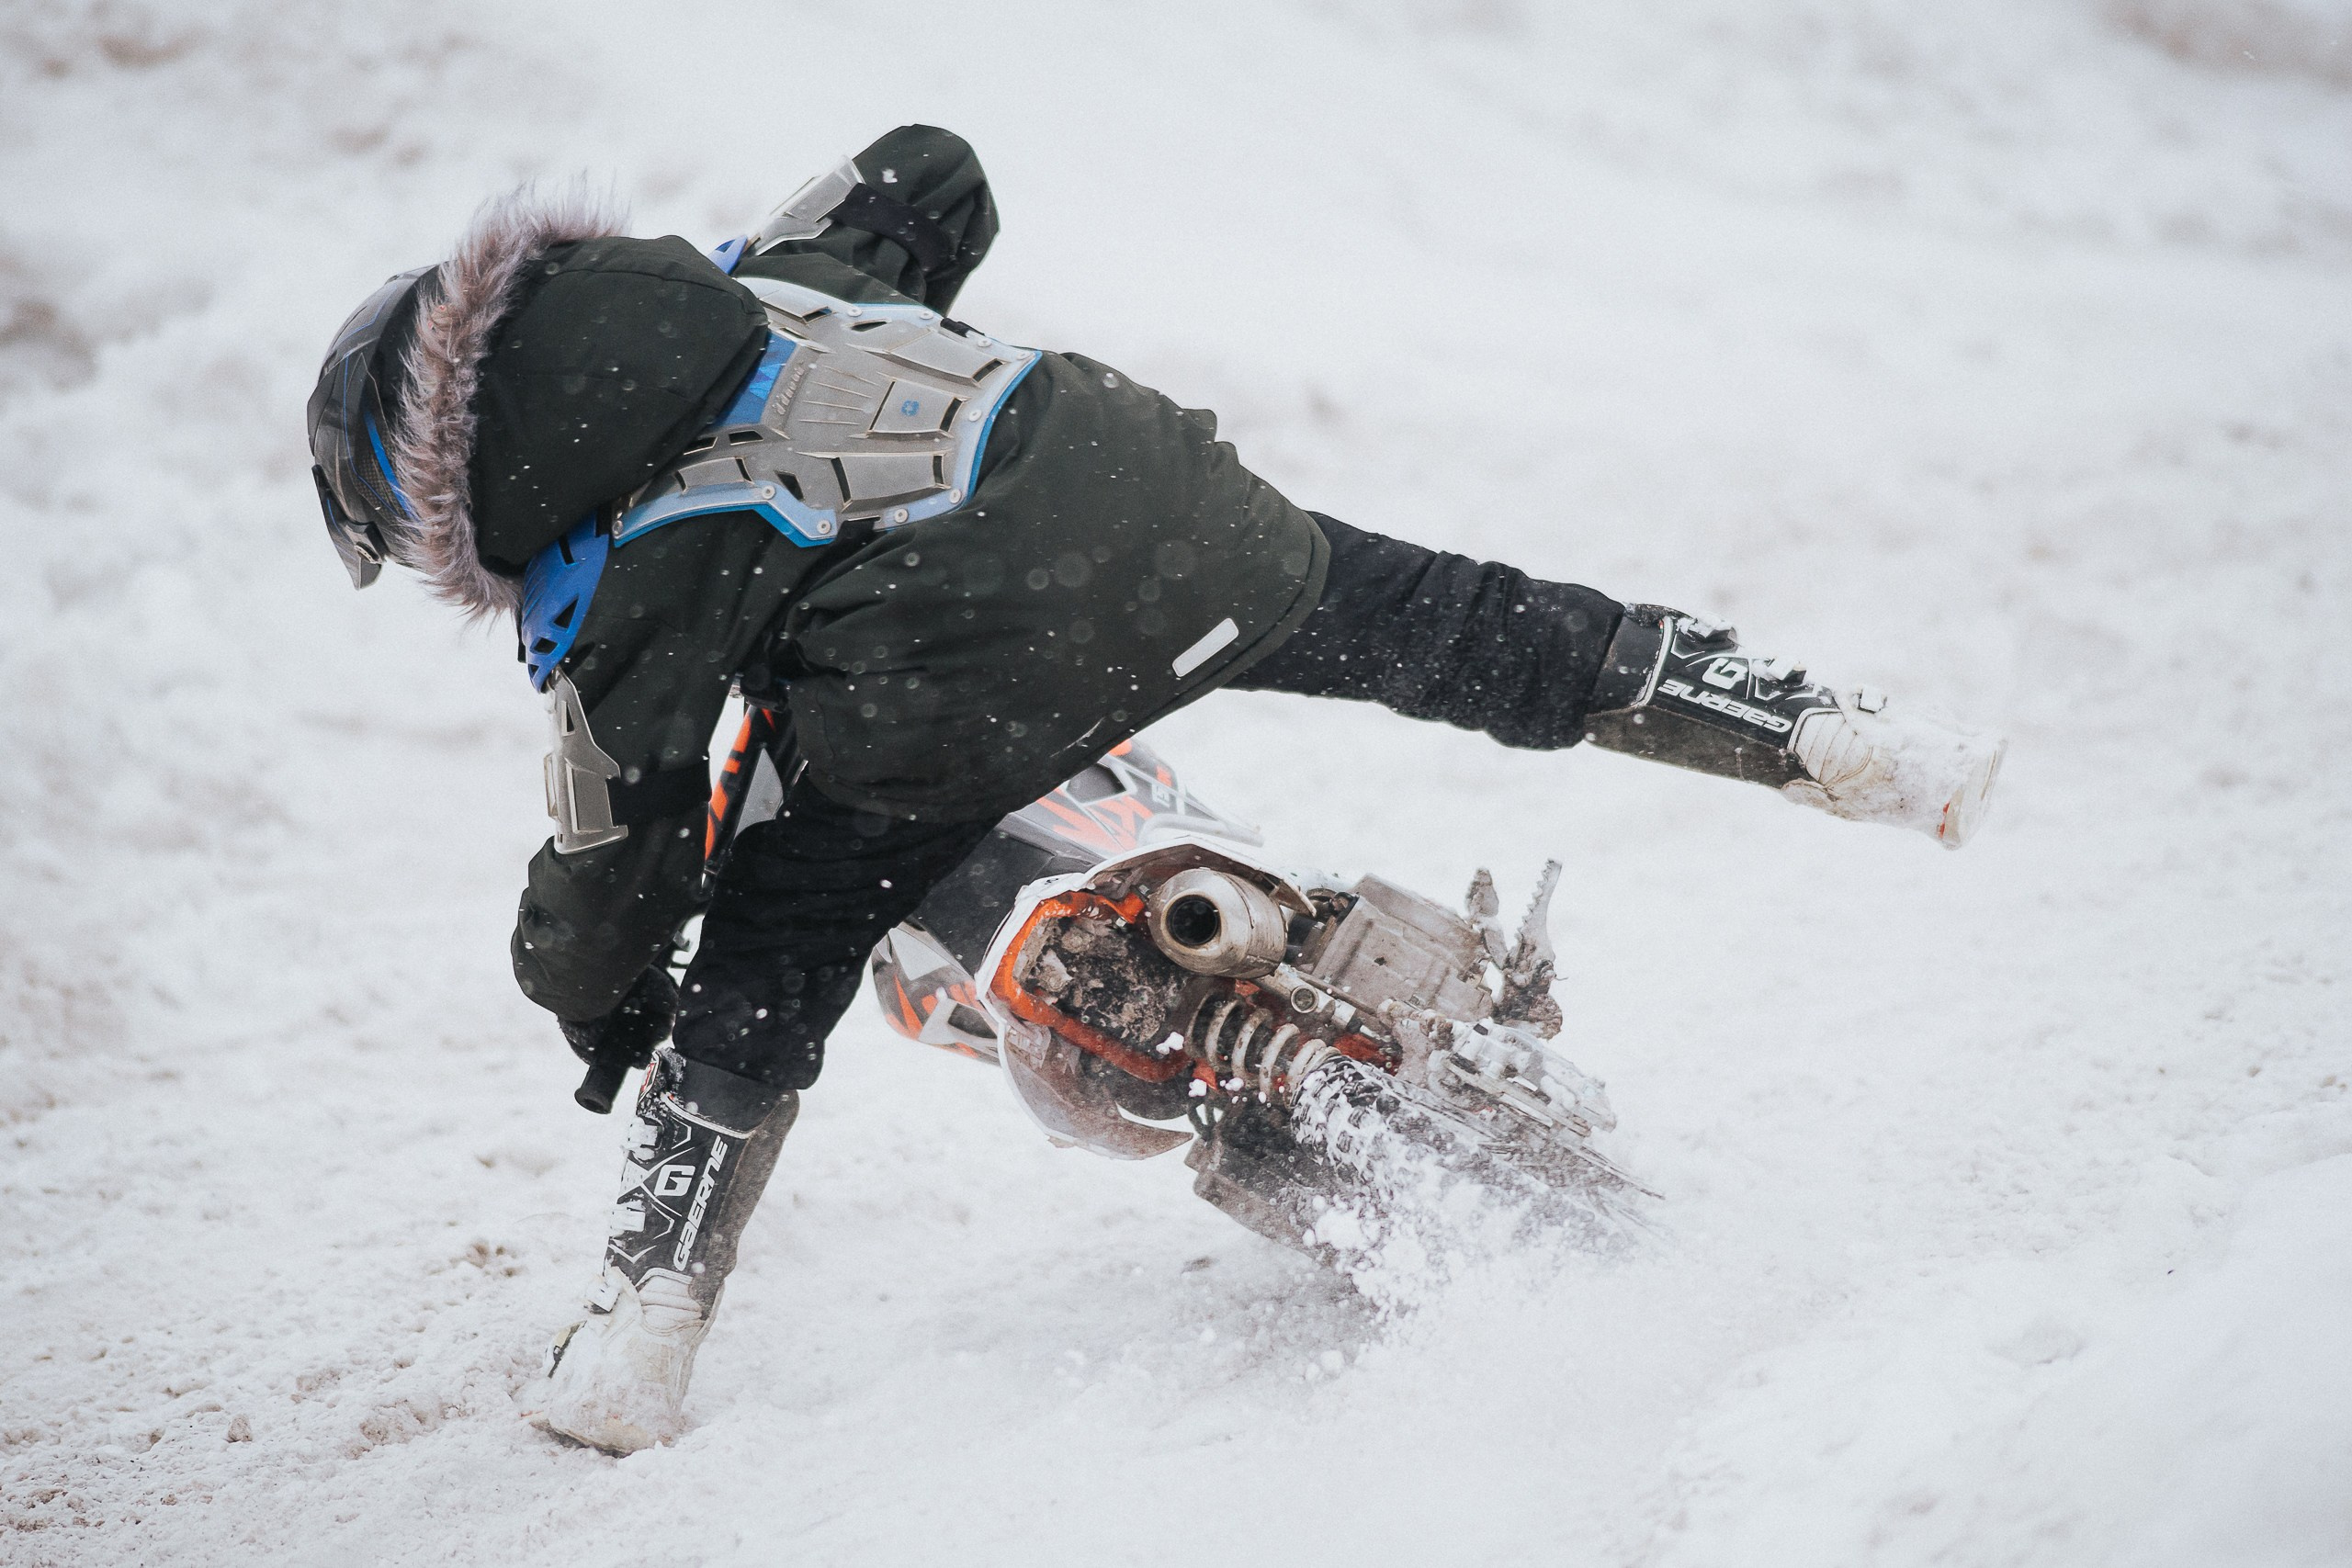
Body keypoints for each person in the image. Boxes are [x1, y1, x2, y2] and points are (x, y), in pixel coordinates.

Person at [305, 126, 2002, 1454]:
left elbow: (619, 841)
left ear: (445, 485)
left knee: (775, 945)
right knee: (1462, 625)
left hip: (937, 683)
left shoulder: (603, 570)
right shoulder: (785, 286)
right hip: (1164, 511)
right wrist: (857, 239)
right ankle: (1829, 736)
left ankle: (638, 1338)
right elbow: (929, 168)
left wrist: (596, 1004)